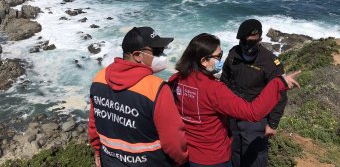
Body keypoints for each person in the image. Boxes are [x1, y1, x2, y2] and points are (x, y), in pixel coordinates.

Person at [168, 33, 300, 167]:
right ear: (203, 61)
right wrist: (278, 83)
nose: (221, 59)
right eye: (218, 56)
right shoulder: (214, 90)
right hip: (214, 158)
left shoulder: (175, 79)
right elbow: (252, 113)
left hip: (186, 153)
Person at [88, 26, 188, 167]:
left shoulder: (99, 78)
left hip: (110, 160)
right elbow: (173, 141)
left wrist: (98, 151)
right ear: (137, 55)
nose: (162, 55)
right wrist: (182, 161)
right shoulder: (157, 89)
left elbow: (94, 126)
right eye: (157, 51)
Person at [220, 19, 286, 167]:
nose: (247, 47)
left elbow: (280, 95)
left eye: (252, 42)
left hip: (256, 121)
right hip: (233, 115)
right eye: (244, 42)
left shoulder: (270, 62)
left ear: (260, 40)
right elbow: (224, 83)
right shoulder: (233, 55)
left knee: (254, 157)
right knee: (234, 153)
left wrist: (272, 124)